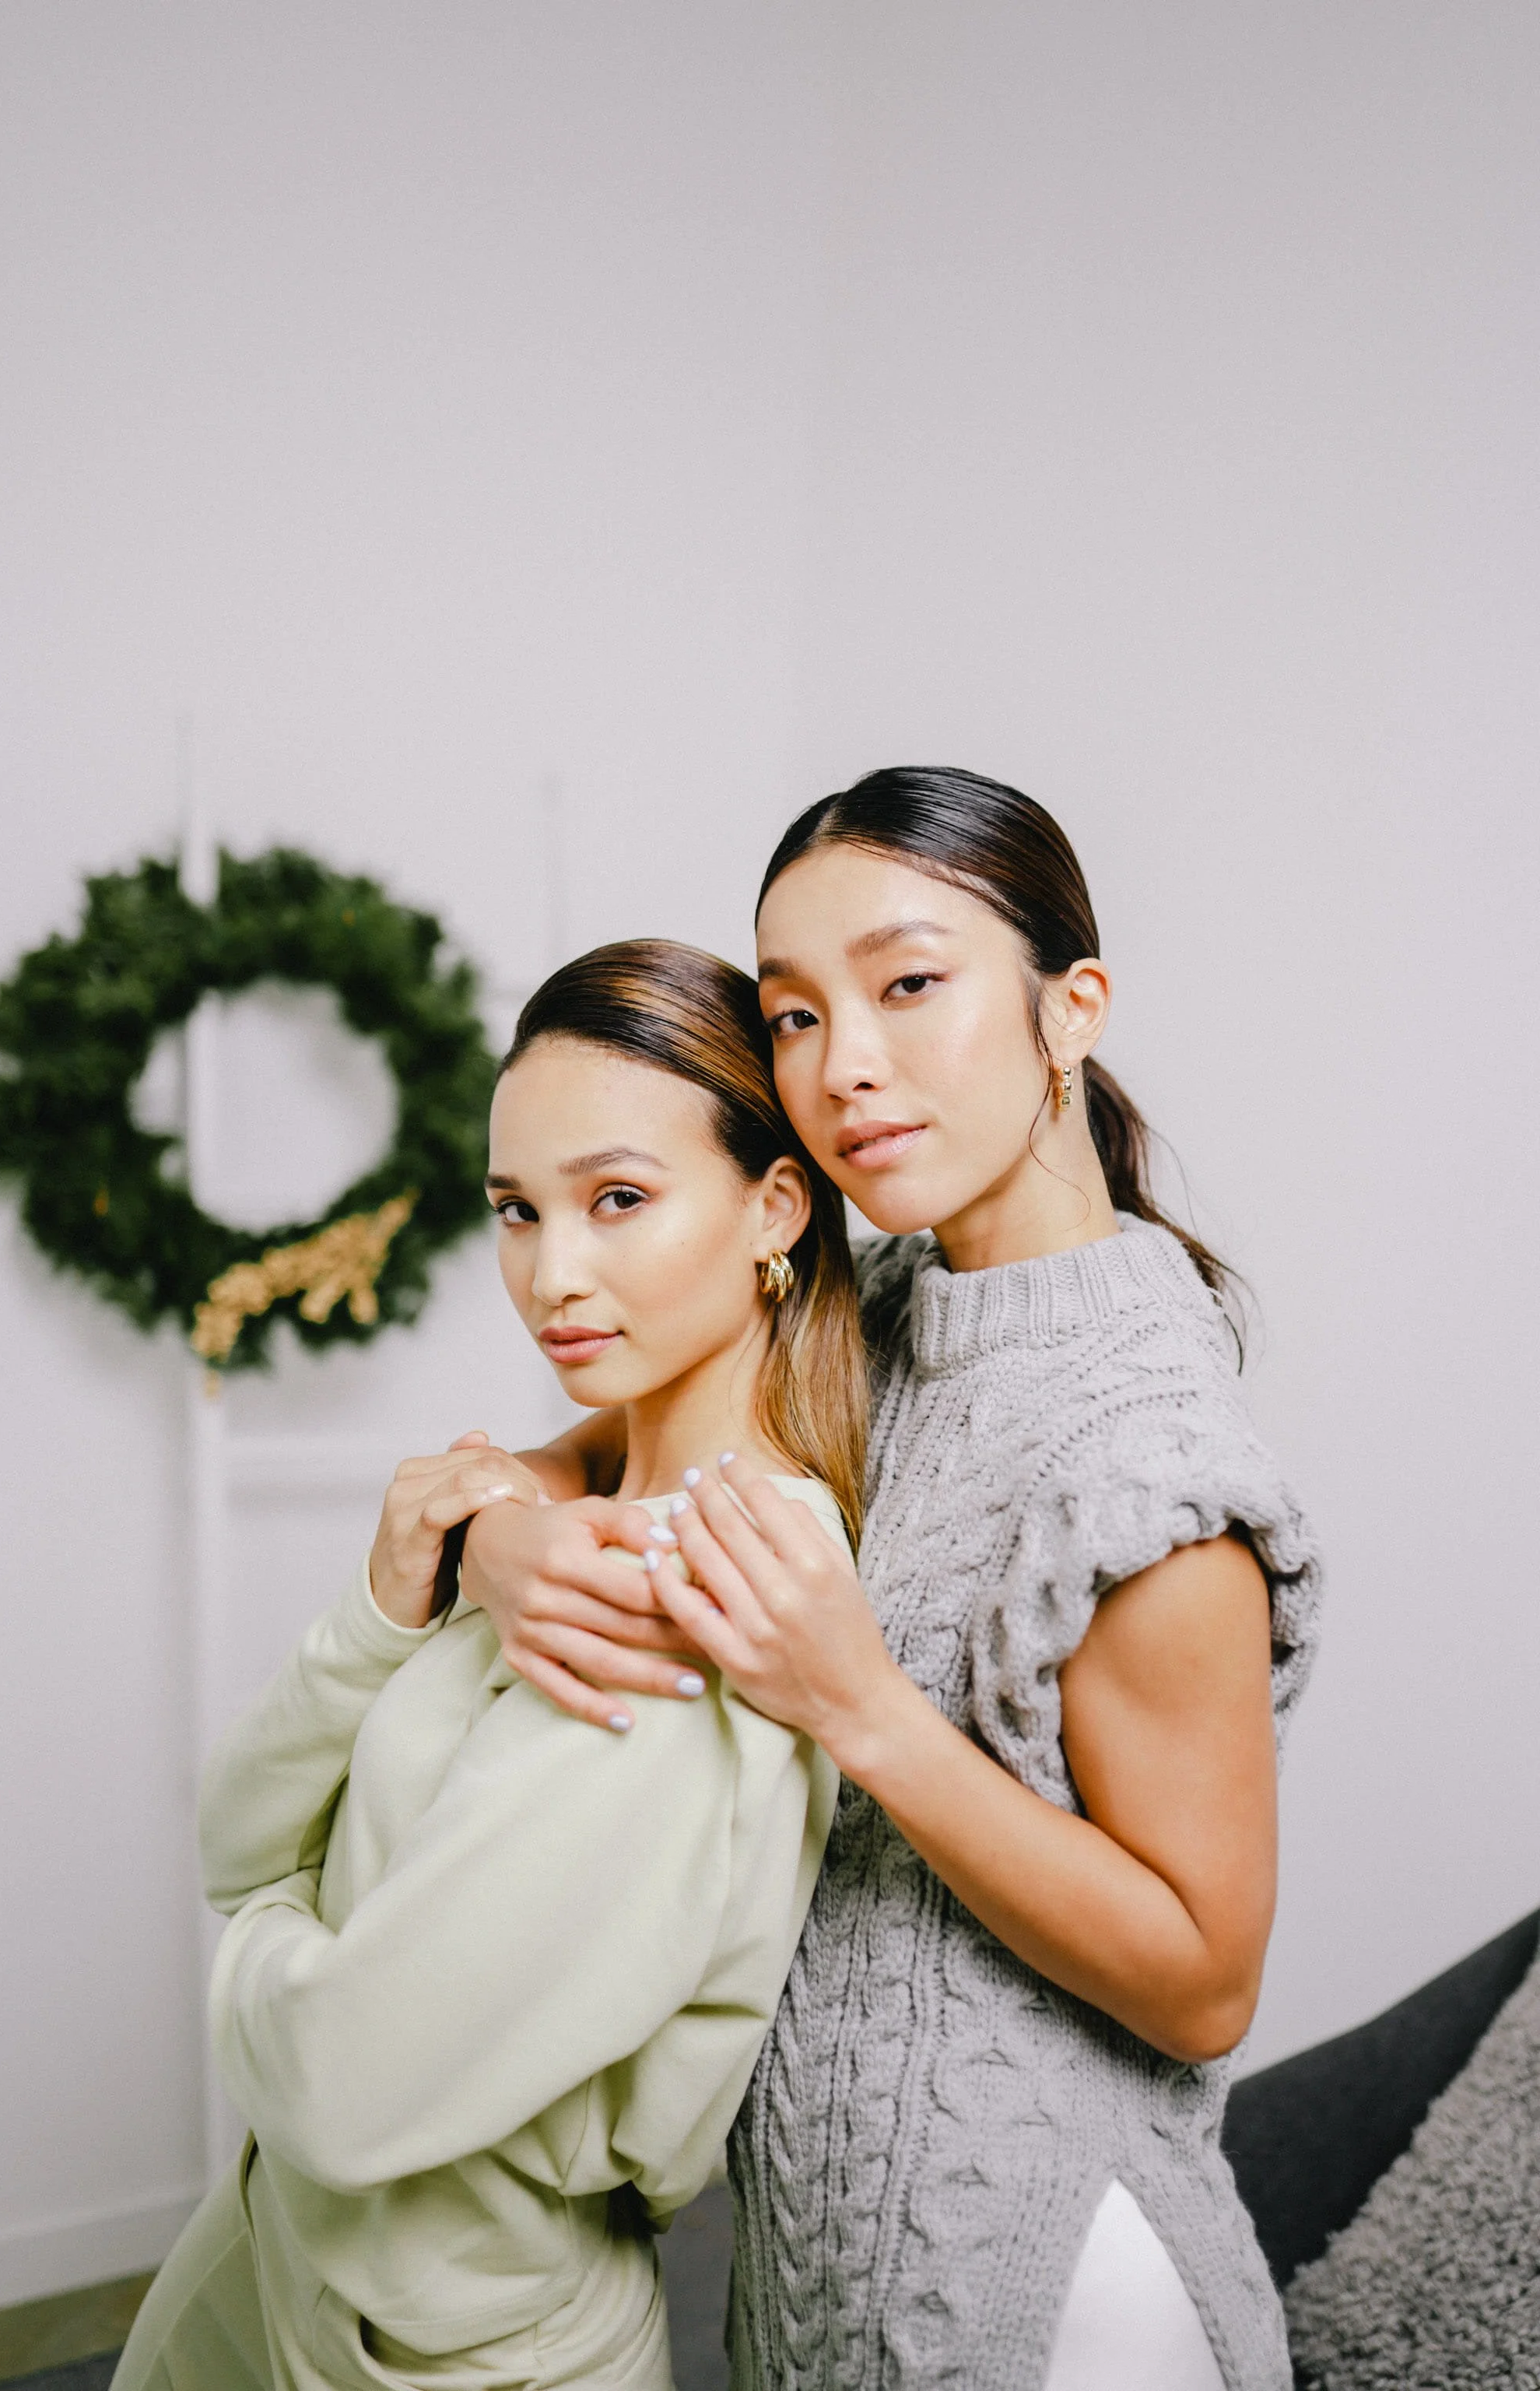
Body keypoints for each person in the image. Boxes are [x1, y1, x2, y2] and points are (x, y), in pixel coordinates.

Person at [449, 770, 1324, 2391]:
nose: (840, 1067)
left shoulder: (1152, 1463)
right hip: (819, 2266)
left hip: (1050, 2294)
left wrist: (856, 1706)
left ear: (1070, 1012)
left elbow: (1204, 1980)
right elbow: (597, 1455)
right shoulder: (883, 1305)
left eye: (908, 984)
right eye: (790, 1014)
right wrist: (497, 1541)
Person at [114, 939, 865, 2391]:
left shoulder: (695, 1597)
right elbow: (232, 1831)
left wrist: (270, 1923)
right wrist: (388, 1611)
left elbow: (335, 2074)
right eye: (517, 1210)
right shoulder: (550, 1531)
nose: (549, 1274)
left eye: (619, 1201)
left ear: (775, 1206)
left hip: (453, 2350)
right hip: (284, 2261)